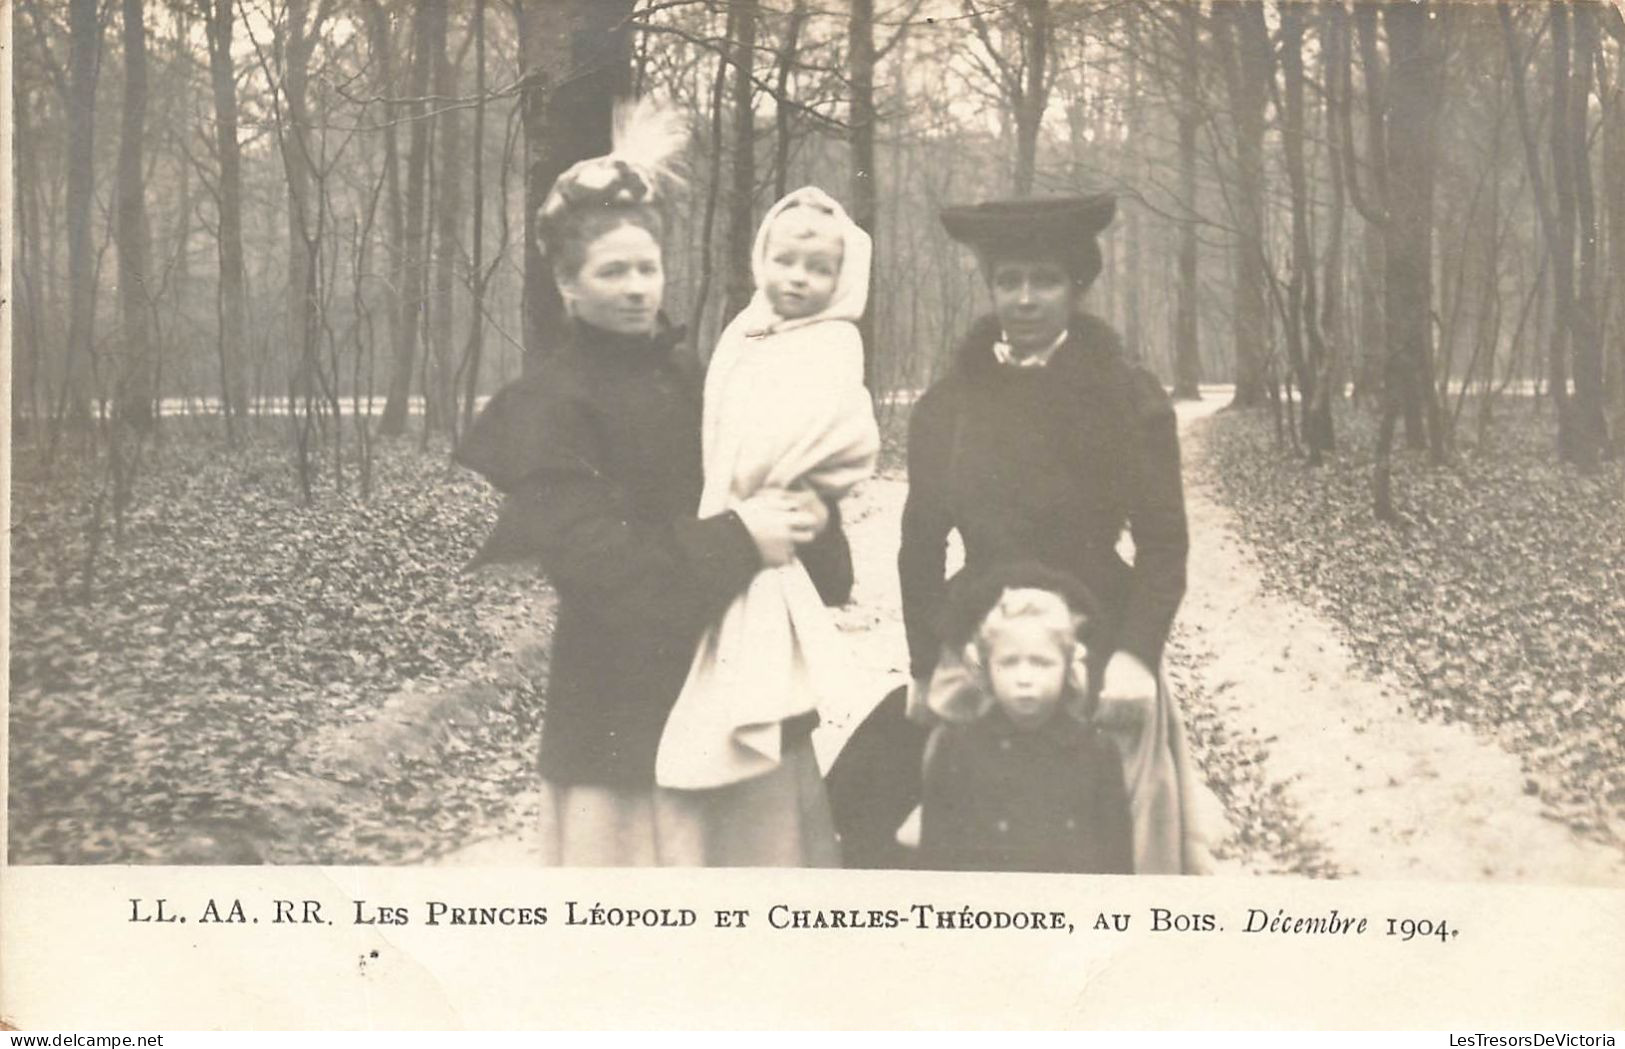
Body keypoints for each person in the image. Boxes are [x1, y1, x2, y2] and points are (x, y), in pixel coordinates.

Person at [453, 102, 844, 866]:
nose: (637, 288)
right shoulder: (546, 404)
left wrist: (809, 520)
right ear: (567, 282)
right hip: (622, 716)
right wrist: (741, 536)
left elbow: (775, 486)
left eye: (647, 267)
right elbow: (601, 568)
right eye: (612, 271)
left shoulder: (702, 376)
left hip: (739, 688)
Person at [895, 194, 1214, 874]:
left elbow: (1164, 544)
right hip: (978, 643)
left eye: (1044, 280)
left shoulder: (1126, 395)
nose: (1025, 298)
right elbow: (919, 545)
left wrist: (1134, 656)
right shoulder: (949, 403)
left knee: (1106, 838)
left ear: (1076, 287)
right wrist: (926, 662)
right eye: (1008, 280)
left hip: (1096, 636)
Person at [657, 186, 879, 790]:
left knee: (770, 676)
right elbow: (718, 421)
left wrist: (790, 480)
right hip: (728, 518)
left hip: (789, 526)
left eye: (819, 269)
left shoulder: (834, 341)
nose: (799, 279)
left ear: (842, 277)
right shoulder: (744, 332)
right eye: (785, 262)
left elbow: (841, 433)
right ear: (762, 259)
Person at [918, 562, 1134, 874]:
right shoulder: (957, 749)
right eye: (1009, 662)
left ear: (1068, 667)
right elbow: (935, 862)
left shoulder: (1096, 752)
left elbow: (1116, 865)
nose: (1024, 678)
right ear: (987, 668)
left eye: (1041, 663)